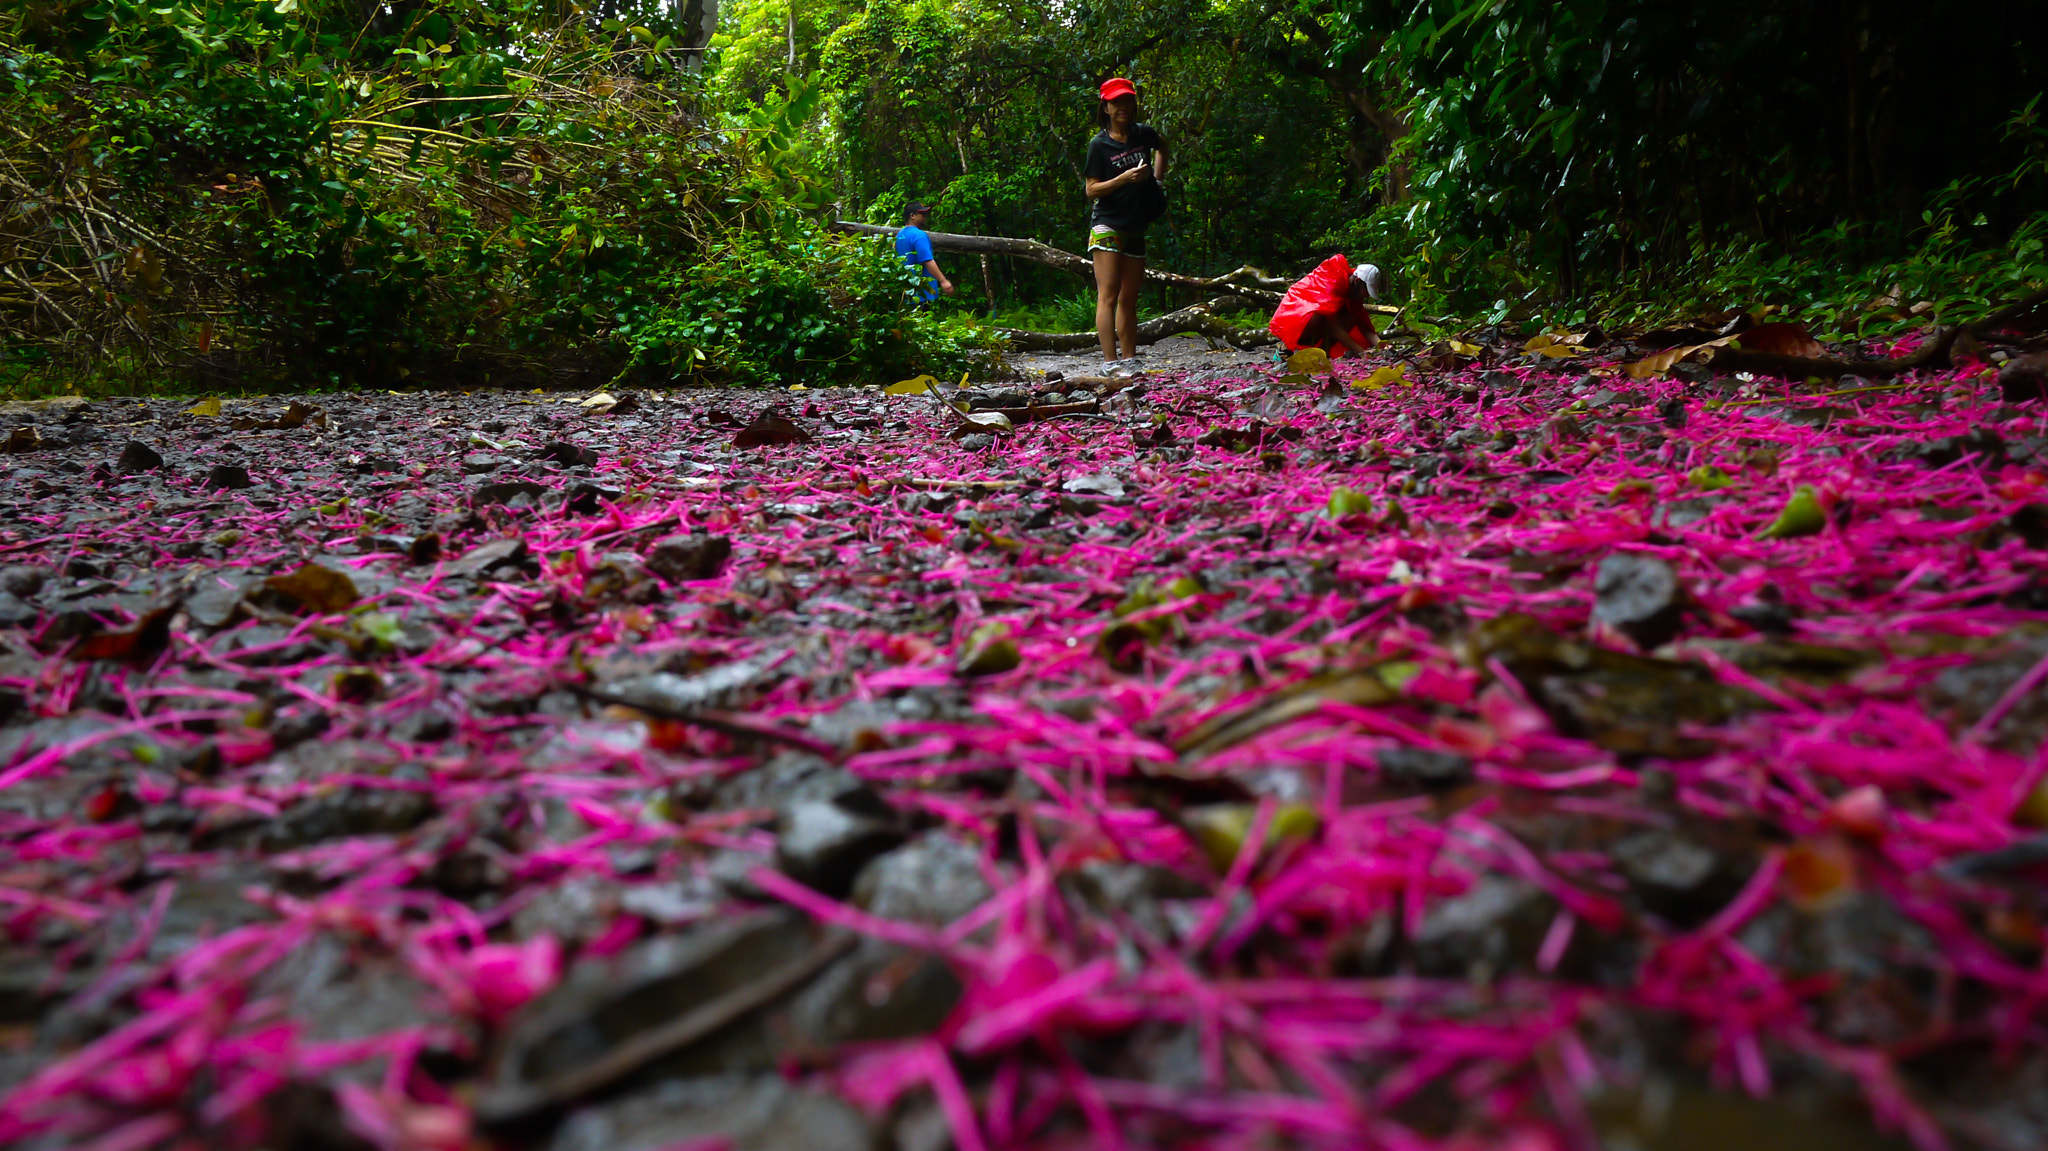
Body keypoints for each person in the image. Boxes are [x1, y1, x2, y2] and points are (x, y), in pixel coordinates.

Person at [1082, 77, 1169, 365]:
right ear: (1105, 107)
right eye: (1116, 102)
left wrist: (1157, 181)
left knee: (1129, 299)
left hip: (1136, 224)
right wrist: (1123, 179)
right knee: (1108, 294)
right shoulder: (1099, 144)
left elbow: (1163, 148)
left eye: (1127, 100)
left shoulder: (1143, 133)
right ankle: (1110, 362)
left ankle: (1129, 360)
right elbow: (1091, 189)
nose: (1122, 107)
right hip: (1107, 223)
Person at [1269, 255, 1386, 358]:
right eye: (1366, 291)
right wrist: (1363, 353)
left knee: (1351, 317)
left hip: (1311, 321)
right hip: (1295, 317)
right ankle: (1284, 349)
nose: (1366, 296)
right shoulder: (1333, 282)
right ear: (1357, 282)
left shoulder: (1353, 292)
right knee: (1319, 316)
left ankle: (1320, 354)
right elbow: (1335, 329)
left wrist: (1384, 347)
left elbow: (1364, 327)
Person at [894, 201, 954, 304]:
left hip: (906, 292)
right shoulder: (919, 236)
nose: (925, 216)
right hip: (922, 293)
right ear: (912, 216)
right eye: (921, 214)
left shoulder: (898, 236)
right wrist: (943, 281)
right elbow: (927, 260)